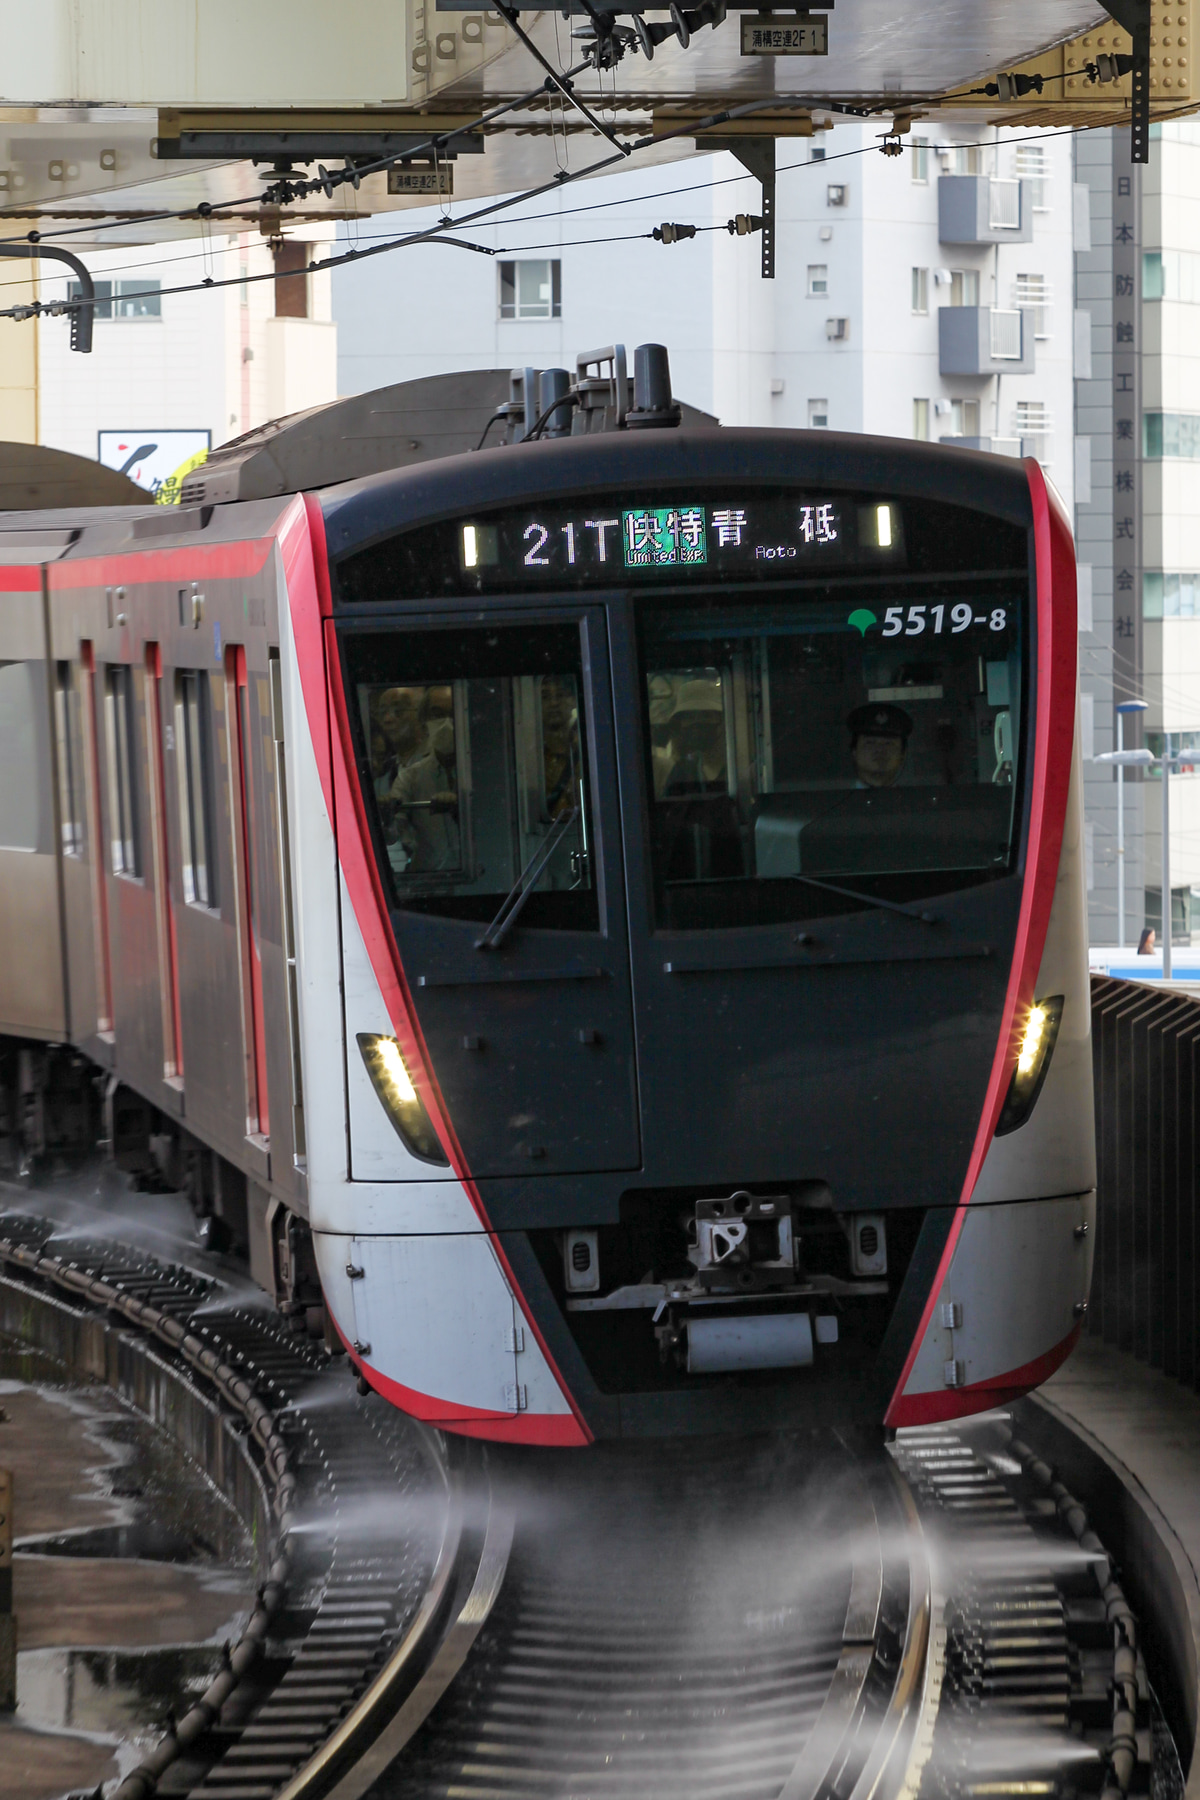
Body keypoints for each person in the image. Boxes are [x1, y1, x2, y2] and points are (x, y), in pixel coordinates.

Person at [846, 703, 913, 789]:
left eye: (889, 743)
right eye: (870, 742)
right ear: (854, 751)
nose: (880, 749)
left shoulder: (916, 801)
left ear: (903, 754)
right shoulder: (832, 799)